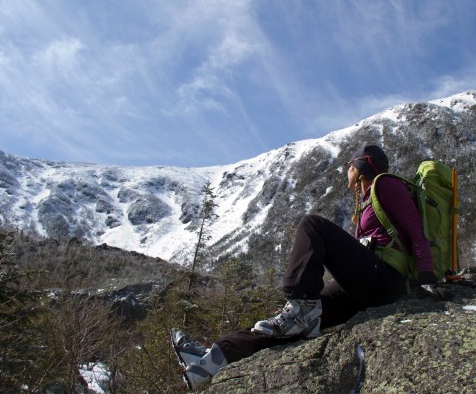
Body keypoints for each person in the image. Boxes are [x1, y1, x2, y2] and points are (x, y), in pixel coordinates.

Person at [172, 144, 441, 390]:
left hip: (386, 280)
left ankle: (302, 306)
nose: (346, 170)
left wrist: (427, 277)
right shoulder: (366, 201)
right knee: (282, 325)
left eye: (349, 165)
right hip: (366, 286)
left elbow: (417, 231)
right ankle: (210, 360)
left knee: (313, 225)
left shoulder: (386, 185)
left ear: (360, 166)